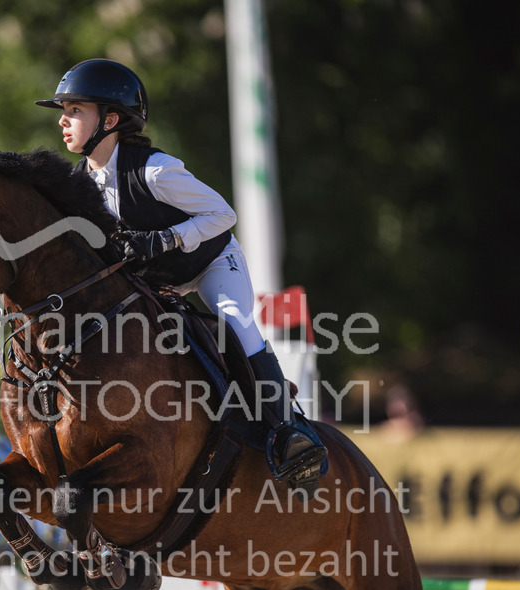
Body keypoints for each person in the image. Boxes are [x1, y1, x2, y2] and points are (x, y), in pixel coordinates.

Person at [36, 58, 327, 491]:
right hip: (153, 281)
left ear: (110, 120)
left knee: (234, 322)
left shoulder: (155, 170)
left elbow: (222, 214)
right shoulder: (79, 185)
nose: (63, 120)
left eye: (75, 110)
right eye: (64, 110)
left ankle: (290, 433)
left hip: (208, 263)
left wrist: (165, 240)